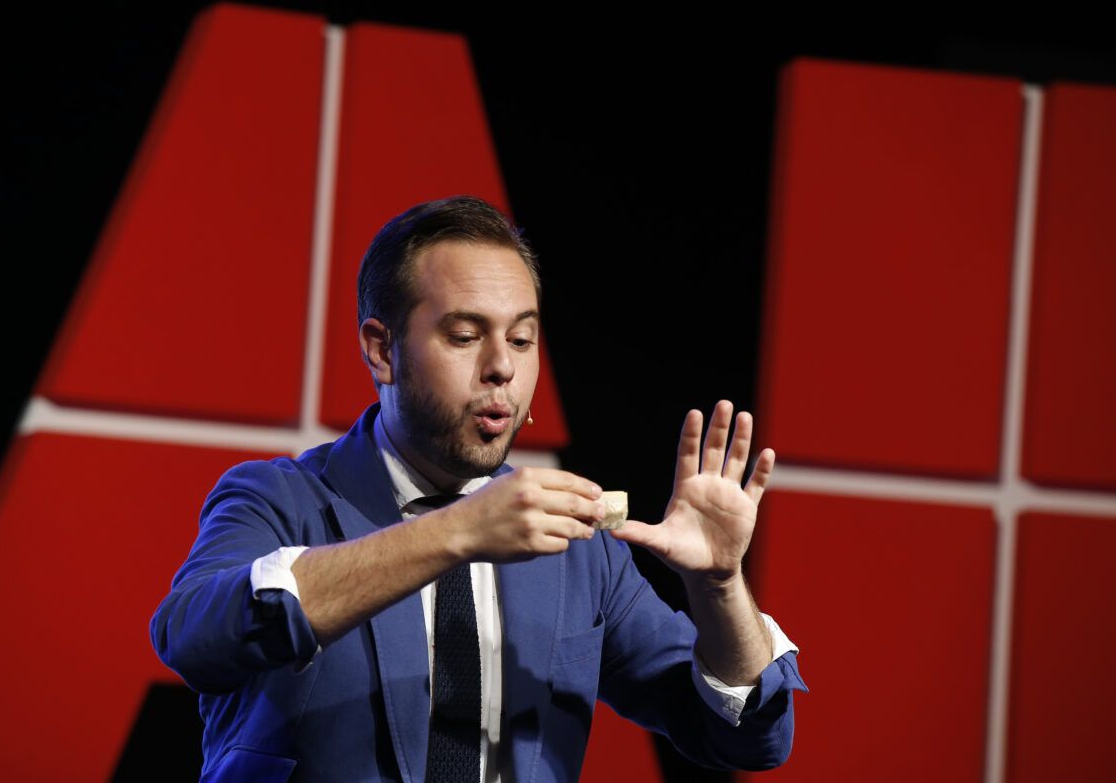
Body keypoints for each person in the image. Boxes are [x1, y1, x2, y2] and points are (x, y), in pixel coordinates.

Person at [150, 196, 806, 782]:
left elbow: (746, 736)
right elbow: (193, 636)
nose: (502, 367)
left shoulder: (579, 548)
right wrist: (459, 530)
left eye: (522, 338)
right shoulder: (279, 499)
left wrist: (720, 588)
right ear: (382, 350)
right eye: (465, 336)